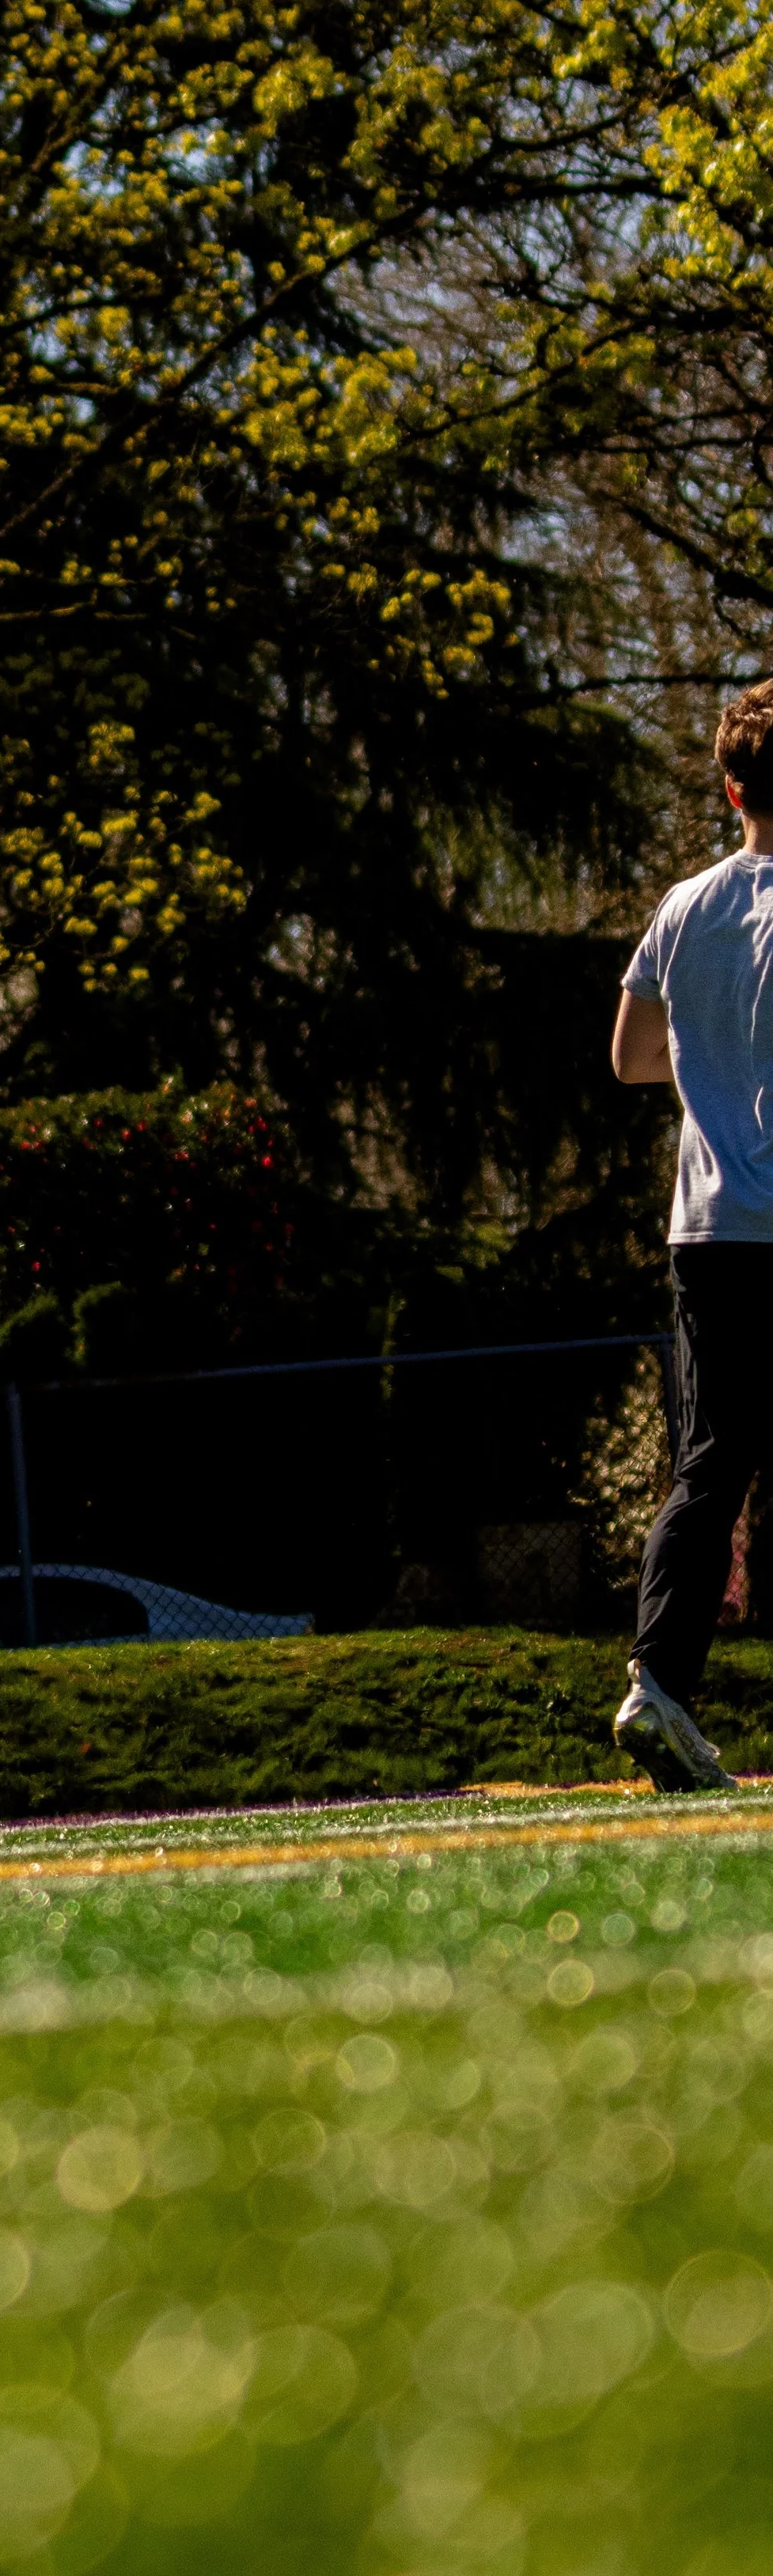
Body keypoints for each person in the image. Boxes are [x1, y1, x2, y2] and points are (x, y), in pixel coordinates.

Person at [605, 677, 773, 1791]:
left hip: (709, 1229)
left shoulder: (686, 905)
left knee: (712, 1460)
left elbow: (629, 1057)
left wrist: (714, 1070)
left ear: (730, 788)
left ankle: (658, 1684)